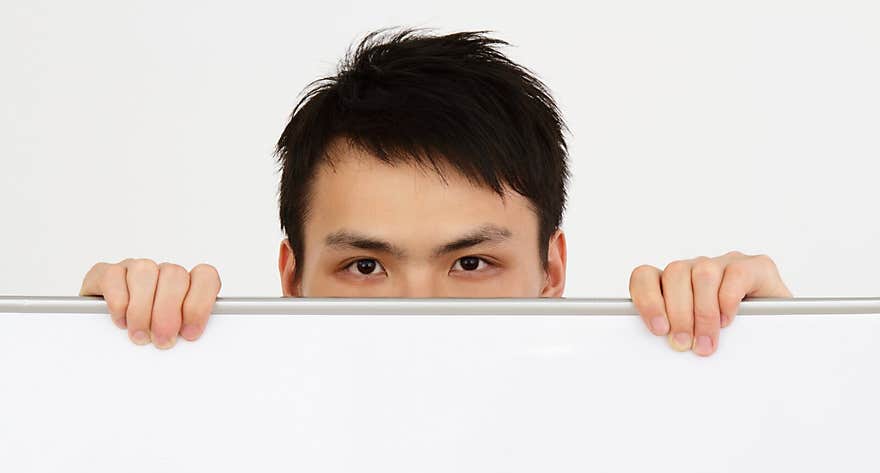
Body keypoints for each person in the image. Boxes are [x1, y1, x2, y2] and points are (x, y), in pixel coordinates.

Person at [79, 28, 792, 357]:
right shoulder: (211, 442)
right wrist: (91, 360)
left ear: (552, 271)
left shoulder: (650, 449)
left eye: (471, 263)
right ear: (291, 277)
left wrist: (786, 366)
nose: (417, 312)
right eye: (365, 266)